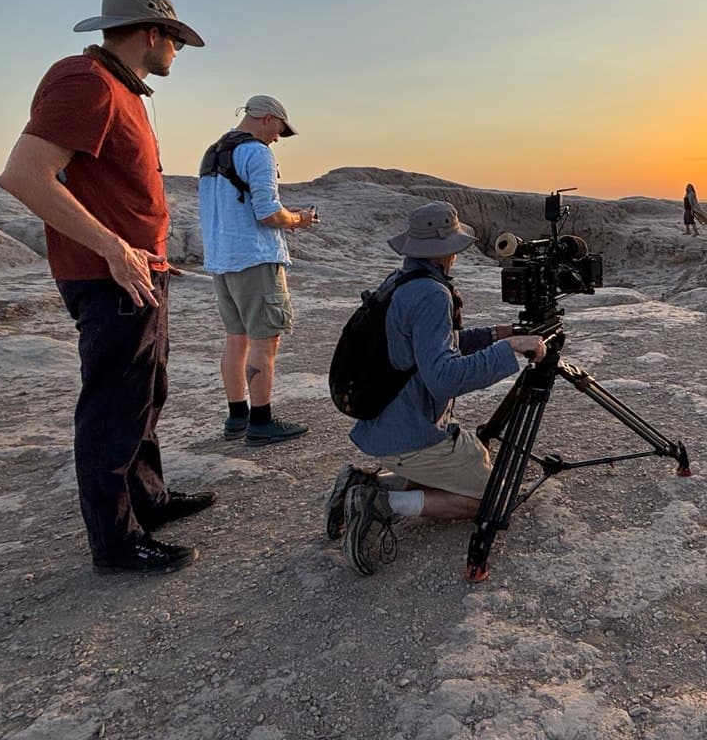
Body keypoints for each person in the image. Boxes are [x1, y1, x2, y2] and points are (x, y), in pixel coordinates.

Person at [0, 0, 214, 573]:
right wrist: (115, 248)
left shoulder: (120, 86)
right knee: (114, 406)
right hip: (109, 275)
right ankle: (115, 542)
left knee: (145, 392)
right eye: (175, 39)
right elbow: (23, 176)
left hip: (139, 272)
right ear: (149, 33)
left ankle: (150, 502)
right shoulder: (86, 80)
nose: (178, 50)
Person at [323, 201, 547, 575]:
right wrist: (506, 351)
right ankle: (379, 502)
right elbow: (444, 377)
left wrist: (498, 334)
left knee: (474, 464)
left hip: (385, 421)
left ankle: (358, 483)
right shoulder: (431, 294)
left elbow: (438, 343)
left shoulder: (403, 281)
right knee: (494, 499)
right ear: (447, 250)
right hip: (411, 433)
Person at [197, 96, 318, 445]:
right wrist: (298, 220)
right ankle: (262, 421)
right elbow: (267, 212)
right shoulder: (257, 152)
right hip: (255, 259)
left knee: (237, 339)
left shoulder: (212, 152)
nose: (278, 139)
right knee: (266, 339)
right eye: (279, 130)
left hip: (223, 259)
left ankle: (237, 417)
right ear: (267, 119)